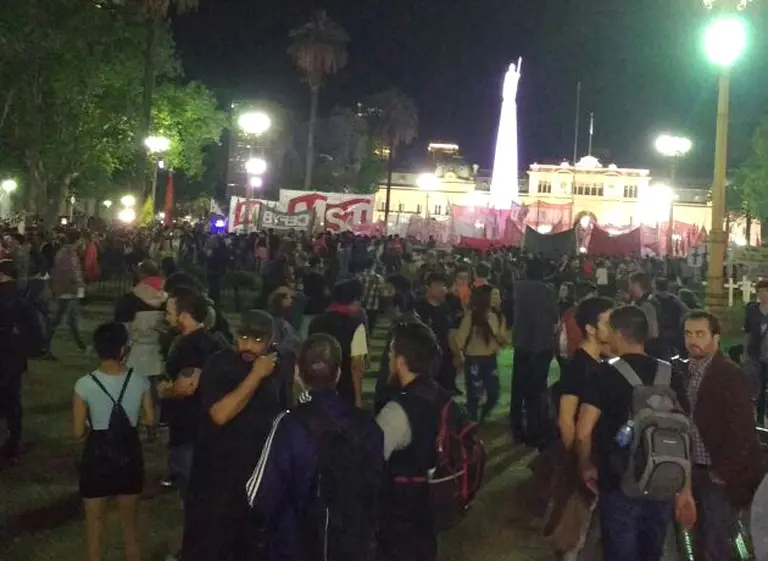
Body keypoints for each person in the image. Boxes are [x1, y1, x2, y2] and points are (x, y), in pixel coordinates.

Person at [246, 333, 384, 561]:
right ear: (338, 373)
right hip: (351, 546)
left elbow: (259, 497)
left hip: (295, 548)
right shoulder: (367, 425)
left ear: (297, 372)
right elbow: (377, 487)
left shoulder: (288, 425)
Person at [575, 305, 695, 560]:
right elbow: (685, 433)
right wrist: (685, 490)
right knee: (652, 551)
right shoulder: (670, 373)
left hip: (618, 480)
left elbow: (583, 431)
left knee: (620, 551)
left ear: (619, 334)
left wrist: (586, 465)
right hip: (662, 477)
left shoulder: (605, 372)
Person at [180, 310, 284, 561]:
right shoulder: (220, 364)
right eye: (244, 337)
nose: (248, 346)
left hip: (253, 481)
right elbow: (220, 414)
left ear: (271, 341)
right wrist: (256, 375)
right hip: (215, 479)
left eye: (257, 340)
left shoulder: (277, 370)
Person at [682, 310, 764, 560]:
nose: (693, 340)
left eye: (700, 334)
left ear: (715, 337)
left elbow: (743, 431)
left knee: (719, 542)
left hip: (717, 474)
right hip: (692, 470)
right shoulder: (684, 371)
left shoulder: (730, 374)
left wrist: (722, 472)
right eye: (688, 334)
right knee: (696, 539)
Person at [73, 322, 155, 561]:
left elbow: (77, 432)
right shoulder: (139, 380)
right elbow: (150, 419)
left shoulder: (84, 384)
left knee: (95, 527)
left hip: (96, 456)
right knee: (130, 528)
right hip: (129, 454)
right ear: (123, 348)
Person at [376, 321, 444, 561]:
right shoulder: (440, 395)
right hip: (431, 505)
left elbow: (369, 462)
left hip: (399, 514)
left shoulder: (396, 412)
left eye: (391, 351)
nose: (388, 356)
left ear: (401, 361)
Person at [159, 287, 227, 494]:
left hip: (189, 422)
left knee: (191, 482)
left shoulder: (192, 347)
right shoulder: (207, 340)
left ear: (184, 315)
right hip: (201, 422)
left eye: (169, 312)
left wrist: (163, 391)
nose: (166, 317)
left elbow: (186, 387)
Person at [0, 258, 47, 465]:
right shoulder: (20, 297)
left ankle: (12, 443)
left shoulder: (15, 298)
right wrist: (35, 347)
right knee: (12, 399)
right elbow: (33, 327)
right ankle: (14, 443)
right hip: (13, 356)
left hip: (8, 353)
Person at [511, 258, 559, 448]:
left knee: (518, 389)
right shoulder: (547, 292)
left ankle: (517, 430)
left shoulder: (517, 288)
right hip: (541, 345)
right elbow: (554, 319)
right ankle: (534, 431)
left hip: (522, 343)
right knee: (536, 391)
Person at [308, 278, 368, 408]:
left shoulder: (316, 322)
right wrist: (358, 398)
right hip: (344, 386)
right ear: (355, 300)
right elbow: (357, 364)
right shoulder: (356, 324)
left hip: (316, 382)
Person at [455, 286, 507, 422]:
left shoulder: (498, 317)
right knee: (474, 395)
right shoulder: (471, 317)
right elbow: (459, 340)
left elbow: (503, 341)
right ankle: (471, 424)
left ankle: (481, 417)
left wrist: (496, 331)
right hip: (474, 360)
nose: (497, 299)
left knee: (494, 393)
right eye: (494, 296)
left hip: (490, 359)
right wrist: (459, 356)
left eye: (498, 296)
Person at [414, 272, 461, 394]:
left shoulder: (446, 307)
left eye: (443, 285)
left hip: (445, 357)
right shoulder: (418, 307)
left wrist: (457, 354)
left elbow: (451, 332)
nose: (441, 289)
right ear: (428, 287)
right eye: (437, 285)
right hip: (426, 357)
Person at [50, 230, 87, 351]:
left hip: (67, 290)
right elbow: (71, 274)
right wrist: (78, 286)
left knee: (68, 318)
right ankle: (44, 344)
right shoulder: (69, 253)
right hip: (68, 291)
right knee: (62, 318)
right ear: (78, 240)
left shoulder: (65, 252)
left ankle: (80, 343)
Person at [743, 279, 768, 426]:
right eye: (760, 291)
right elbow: (747, 332)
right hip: (756, 354)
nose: (763, 294)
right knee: (758, 387)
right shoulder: (752, 310)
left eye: (766, 291)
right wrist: (745, 352)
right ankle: (759, 419)